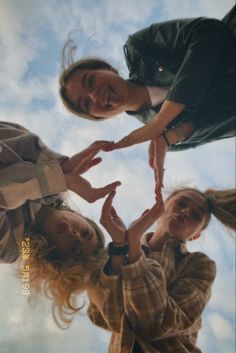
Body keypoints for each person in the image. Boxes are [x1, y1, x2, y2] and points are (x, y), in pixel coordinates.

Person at [23, 183, 236, 352]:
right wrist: (123, 250)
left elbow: (158, 324)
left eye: (197, 215)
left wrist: (131, 254)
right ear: (162, 206)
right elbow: (107, 318)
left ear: (196, 234)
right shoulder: (113, 253)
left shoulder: (200, 265)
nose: (186, 211)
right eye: (181, 203)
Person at [59, 7, 236, 191]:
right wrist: (172, 135)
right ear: (98, 117)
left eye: (90, 81)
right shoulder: (164, 139)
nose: (93, 95)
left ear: (108, 68)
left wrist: (161, 120)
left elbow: (211, 32)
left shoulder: (140, 48)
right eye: (86, 104)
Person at [0, 121, 121, 263]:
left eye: (73, 250)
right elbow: (9, 134)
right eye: (85, 233)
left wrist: (61, 178)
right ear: (77, 215)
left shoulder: (9, 249)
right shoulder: (52, 190)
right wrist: (62, 167)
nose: (75, 237)